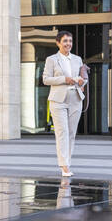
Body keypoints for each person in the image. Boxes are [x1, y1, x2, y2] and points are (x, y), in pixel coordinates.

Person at [42, 31, 86, 177]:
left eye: (70, 41)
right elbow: (46, 79)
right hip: (58, 100)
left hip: (75, 98)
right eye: (65, 41)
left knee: (72, 133)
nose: (68, 44)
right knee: (62, 132)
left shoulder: (77, 59)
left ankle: (67, 162)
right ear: (58, 43)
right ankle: (64, 166)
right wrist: (64, 79)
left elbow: (82, 78)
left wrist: (82, 81)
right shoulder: (52, 59)